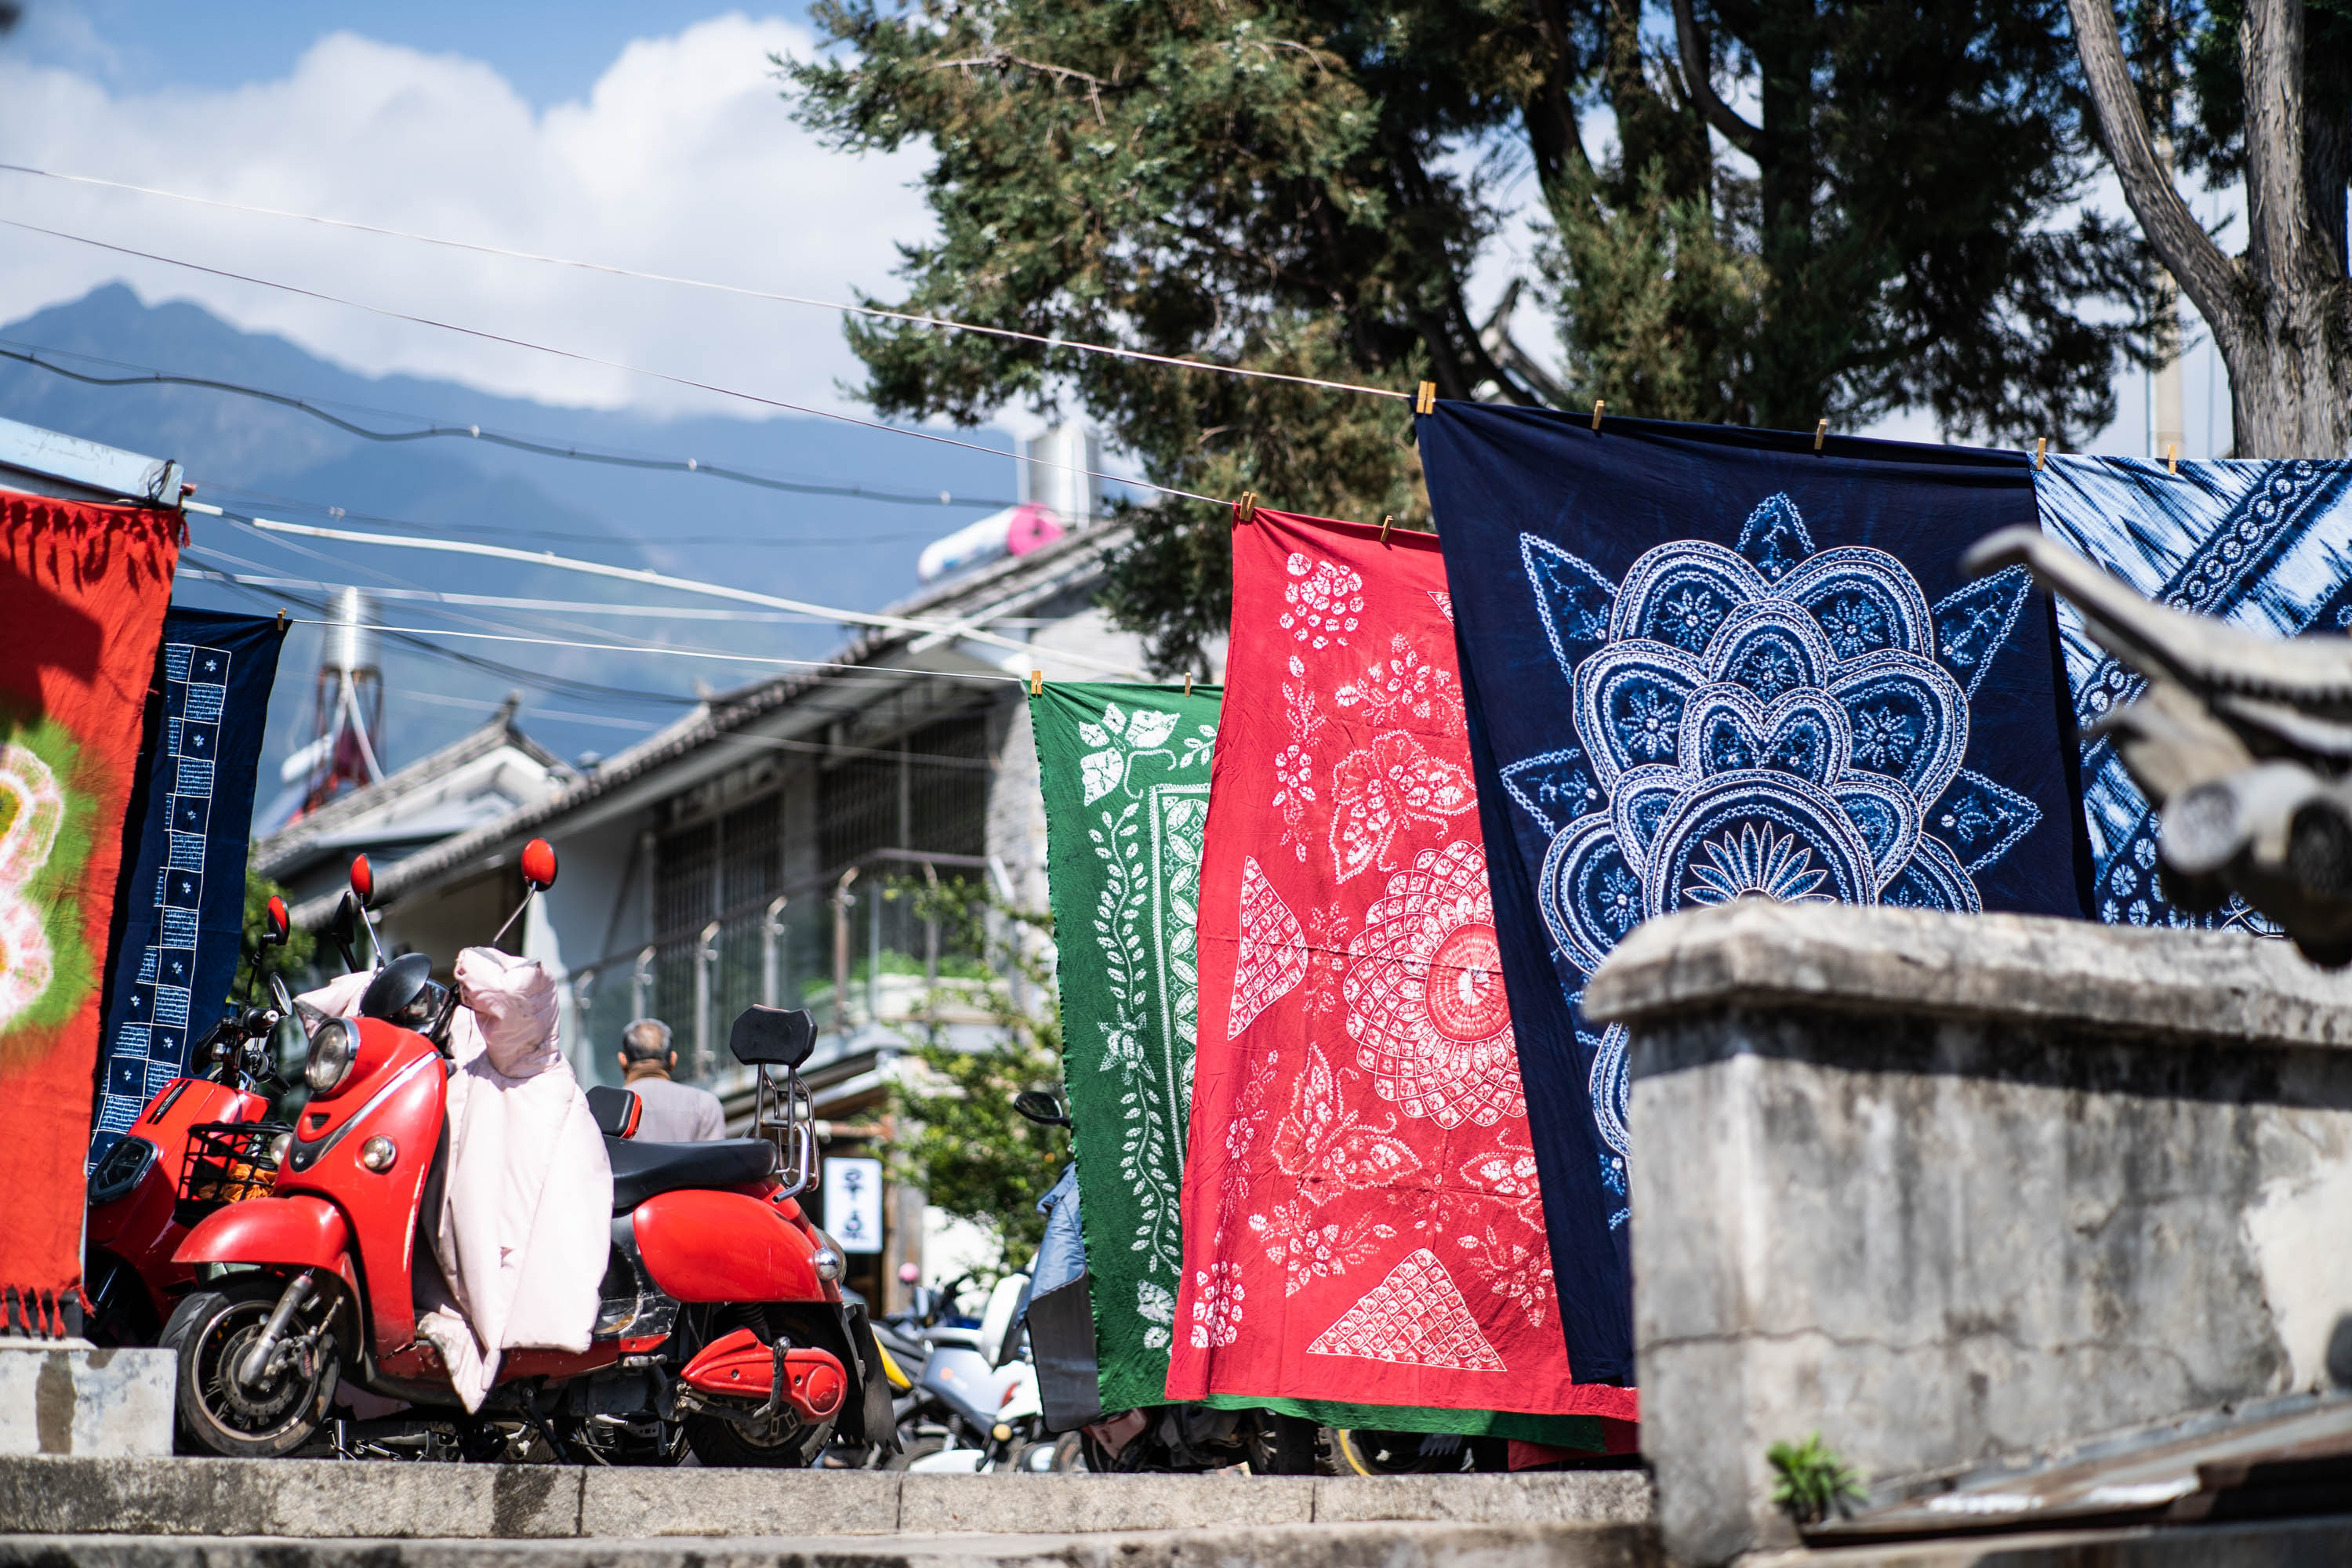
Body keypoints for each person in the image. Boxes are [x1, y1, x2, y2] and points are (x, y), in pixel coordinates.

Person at [615, 1018, 727, 1142]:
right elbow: (714, 1158)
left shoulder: (605, 1107)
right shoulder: (704, 1104)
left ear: (623, 1061)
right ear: (673, 1060)